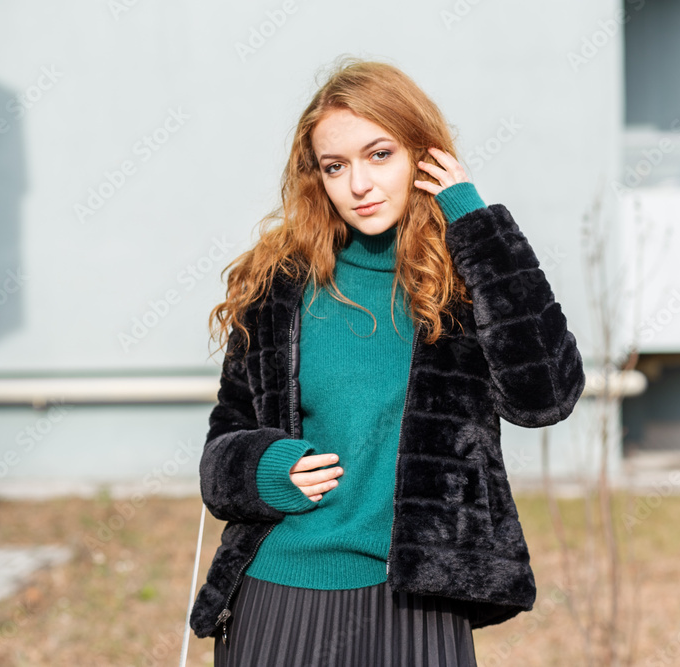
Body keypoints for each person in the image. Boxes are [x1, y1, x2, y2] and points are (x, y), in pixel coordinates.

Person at [190, 55, 586, 666]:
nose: (359, 185)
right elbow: (222, 447)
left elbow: (547, 397)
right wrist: (265, 468)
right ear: (316, 178)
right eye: (335, 166)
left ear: (423, 157)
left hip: (419, 600)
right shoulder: (279, 288)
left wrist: (474, 221)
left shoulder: (464, 285)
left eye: (380, 155)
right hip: (283, 589)